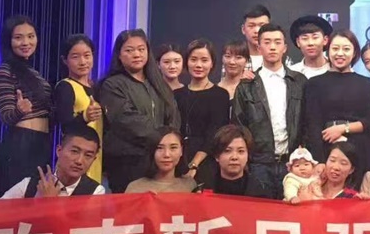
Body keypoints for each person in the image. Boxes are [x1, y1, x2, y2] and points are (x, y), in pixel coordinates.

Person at [99, 29, 180, 193]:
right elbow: (125, 120)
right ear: (119, 55)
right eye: (129, 50)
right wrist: (160, 139)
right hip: (128, 162)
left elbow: (173, 114)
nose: (136, 54)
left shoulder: (158, 83)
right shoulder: (112, 85)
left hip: (159, 160)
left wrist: (169, 143)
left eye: (141, 49)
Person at [231, 24, 307, 199]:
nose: (272, 47)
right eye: (267, 42)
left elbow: (307, 120)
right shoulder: (247, 85)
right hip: (259, 164)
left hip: (294, 163)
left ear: (285, 48)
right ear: (259, 48)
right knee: (260, 211)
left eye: (277, 42)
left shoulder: (299, 81)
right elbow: (239, 126)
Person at [302, 29, 370, 172]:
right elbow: (312, 125)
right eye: (335, 48)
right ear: (328, 51)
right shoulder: (314, 83)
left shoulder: (365, 83)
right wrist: (319, 160)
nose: (340, 53)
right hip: (327, 148)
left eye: (346, 49)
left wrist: (342, 129)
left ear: (354, 52)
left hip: (362, 149)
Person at [0, 14, 53, 195]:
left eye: (31, 36)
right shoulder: (4, 71)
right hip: (20, 145)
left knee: (36, 202)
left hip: (42, 143)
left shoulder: (34, 73)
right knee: (15, 202)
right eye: (18, 37)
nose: (26, 42)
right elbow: (6, 117)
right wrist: (19, 110)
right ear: (8, 41)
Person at [176, 39, 230, 182]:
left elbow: (215, 132)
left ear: (212, 64)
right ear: (187, 62)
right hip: (177, 158)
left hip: (206, 161)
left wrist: (194, 164)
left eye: (204, 60)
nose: (198, 65)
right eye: (193, 59)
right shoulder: (176, 95)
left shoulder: (220, 95)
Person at [53, 34, 103, 183]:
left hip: (95, 155)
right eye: (75, 57)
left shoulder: (97, 88)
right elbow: (65, 125)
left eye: (87, 56)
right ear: (65, 60)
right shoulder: (65, 86)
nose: (83, 62)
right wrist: (85, 117)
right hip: (76, 156)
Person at [202, 124, 273, 197]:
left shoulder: (261, 192)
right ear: (217, 156)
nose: (234, 157)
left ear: (248, 155)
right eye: (227, 151)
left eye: (241, 151)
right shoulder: (202, 190)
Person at [126, 127, 197, 194]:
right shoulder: (135, 187)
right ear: (152, 151)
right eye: (159, 148)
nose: (166, 154)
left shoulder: (190, 185)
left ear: (181, 150)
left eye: (173, 147)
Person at [297, 141, 364, 200]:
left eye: (343, 163)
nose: (336, 167)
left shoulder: (352, 197)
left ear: (351, 170)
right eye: (332, 160)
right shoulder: (309, 187)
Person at [240, 4, 272, 74]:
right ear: (243, 29)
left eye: (262, 26)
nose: (257, 31)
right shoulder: (233, 61)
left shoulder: (282, 60)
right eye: (251, 26)